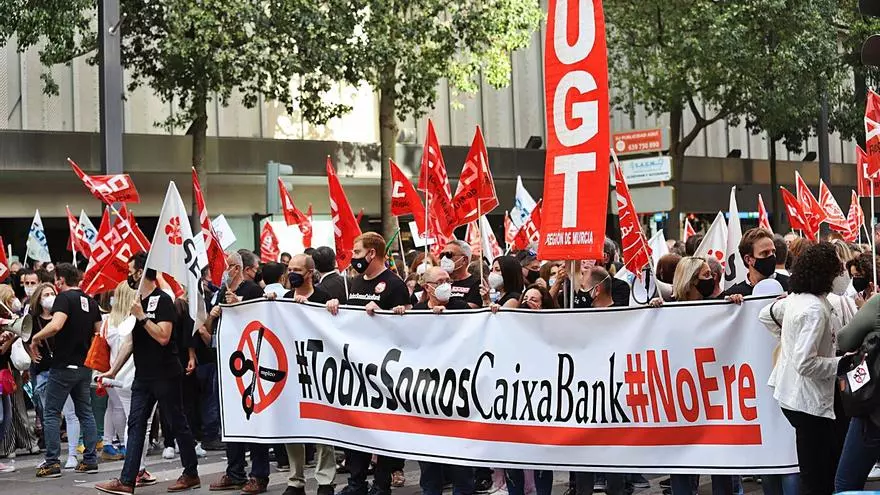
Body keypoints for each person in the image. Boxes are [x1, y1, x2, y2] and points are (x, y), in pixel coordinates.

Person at [95, 253, 200, 494]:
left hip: (165, 374)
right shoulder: (137, 301)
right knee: (135, 425)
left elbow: (163, 336)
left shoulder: (163, 300)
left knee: (177, 422)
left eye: (130, 270)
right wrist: (112, 371)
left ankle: (191, 472)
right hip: (143, 377)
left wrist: (142, 316)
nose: (128, 275)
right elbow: (130, 343)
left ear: (141, 272)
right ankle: (127, 480)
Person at [326, 232, 410, 495]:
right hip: (357, 369)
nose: (353, 257)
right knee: (357, 429)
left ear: (372, 253)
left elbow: (409, 330)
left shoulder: (394, 284)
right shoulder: (354, 282)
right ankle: (357, 483)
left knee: (383, 431)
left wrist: (386, 315)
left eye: (357, 252)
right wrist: (336, 306)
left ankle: (381, 484)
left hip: (385, 371)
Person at [758, 242, 845, 495]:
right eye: (836, 269)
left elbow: (766, 314)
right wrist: (842, 363)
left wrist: (788, 340)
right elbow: (805, 363)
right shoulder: (813, 309)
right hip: (808, 401)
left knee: (817, 466)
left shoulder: (797, 299)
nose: (840, 274)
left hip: (794, 397)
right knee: (817, 474)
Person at [652, 257, 743, 495]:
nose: (712, 279)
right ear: (691, 281)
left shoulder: (719, 307)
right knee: (682, 462)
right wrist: (652, 313)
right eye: (706, 275)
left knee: (720, 460)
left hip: (714, 397)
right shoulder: (668, 309)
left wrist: (735, 306)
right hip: (682, 398)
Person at [392, 267, 473, 495]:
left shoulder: (460, 308)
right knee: (429, 464)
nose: (447, 284)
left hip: (456, 394)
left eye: (448, 280)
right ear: (427, 287)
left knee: (461, 464)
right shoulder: (417, 312)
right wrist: (397, 317)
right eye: (440, 281)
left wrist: (448, 319)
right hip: (425, 395)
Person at [29, 262, 101, 479]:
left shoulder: (64, 299)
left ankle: (52, 462)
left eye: (56, 280)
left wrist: (36, 338)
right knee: (85, 412)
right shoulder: (90, 301)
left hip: (63, 366)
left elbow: (56, 325)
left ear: (60, 280)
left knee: (51, 412)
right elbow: (98, 333)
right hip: (84, 365)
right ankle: (90, 459)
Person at [210, 251, 273, 494]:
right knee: (230, 419)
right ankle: (235, 471)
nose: (222, 271)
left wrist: (240, 305)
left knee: (252, 416)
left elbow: (262, 319)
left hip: (249, 364)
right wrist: (214, 315)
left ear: (236, 268)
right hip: (226, 362)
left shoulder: (253, 290)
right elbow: (211, 326)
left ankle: (259, 474)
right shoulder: (220, 292)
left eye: (225, 267)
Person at [274, 254, 337, 495]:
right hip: (292, 371)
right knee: (292, 426)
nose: (292, 274)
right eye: (289, 269)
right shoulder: (284, 299)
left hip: (318, 370)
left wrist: (327, 308)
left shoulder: (323, 298)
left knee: (323, 427)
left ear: (310, 273)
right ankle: (295, 480)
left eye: (297, 270)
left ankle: (325, 481)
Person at [100, 281, 159, 486]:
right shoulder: (134, 320)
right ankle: (137, 468)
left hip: (117, 376)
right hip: (136, 375)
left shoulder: (109, 321)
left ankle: (133, 466)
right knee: (141, 425)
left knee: (128, 420)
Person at [835, 265, 880, 491]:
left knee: (846, 483)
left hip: (874, 411)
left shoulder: (877, 304)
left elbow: (844, 340)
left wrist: (866, 311)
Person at [0, 285, 39, 459]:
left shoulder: (10, 317)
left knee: (16, 407)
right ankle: (7, 446)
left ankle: (24, 442)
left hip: (12, 368)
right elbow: (2, 350)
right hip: (4, 369)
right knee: (8, 410)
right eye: (10, 297)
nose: (14, 300)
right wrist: (13, 336)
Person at [26, 282, 56, 454]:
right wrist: (30, 354)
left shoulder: (60, 316)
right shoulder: (33, 319)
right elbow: (24, 338)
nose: (50, 297)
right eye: (46, 294)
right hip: (42, 369)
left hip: (59, 367)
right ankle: (48, 440)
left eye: (52, 293)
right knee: (45, 408)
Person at [722, 228, 789, 296]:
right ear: (748, 259)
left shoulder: (789, 285)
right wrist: (731, 302)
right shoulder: (735, 293)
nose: (771, 256)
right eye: (765, 253)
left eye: (773, 251)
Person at [439, 240, 483, 308]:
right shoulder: (437, 282)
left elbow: (472, 308)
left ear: (464, 260)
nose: (444, 259)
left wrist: (446, 302)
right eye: (442, 255)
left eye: (449, 255)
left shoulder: (477, 283)